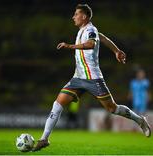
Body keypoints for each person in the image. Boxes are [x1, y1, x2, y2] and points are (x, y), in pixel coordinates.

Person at [33, 4, 151, 151]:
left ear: (84, 17)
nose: (73, 17)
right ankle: (44, 139)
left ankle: (140, 120)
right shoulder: (85, 30)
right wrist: (116, 51)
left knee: (112, 108)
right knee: (58, 104)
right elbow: (103, 38)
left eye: (76, 14)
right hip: (78, 77)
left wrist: (69, 46)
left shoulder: (90, 29)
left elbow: (90, 44)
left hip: (93, 78)